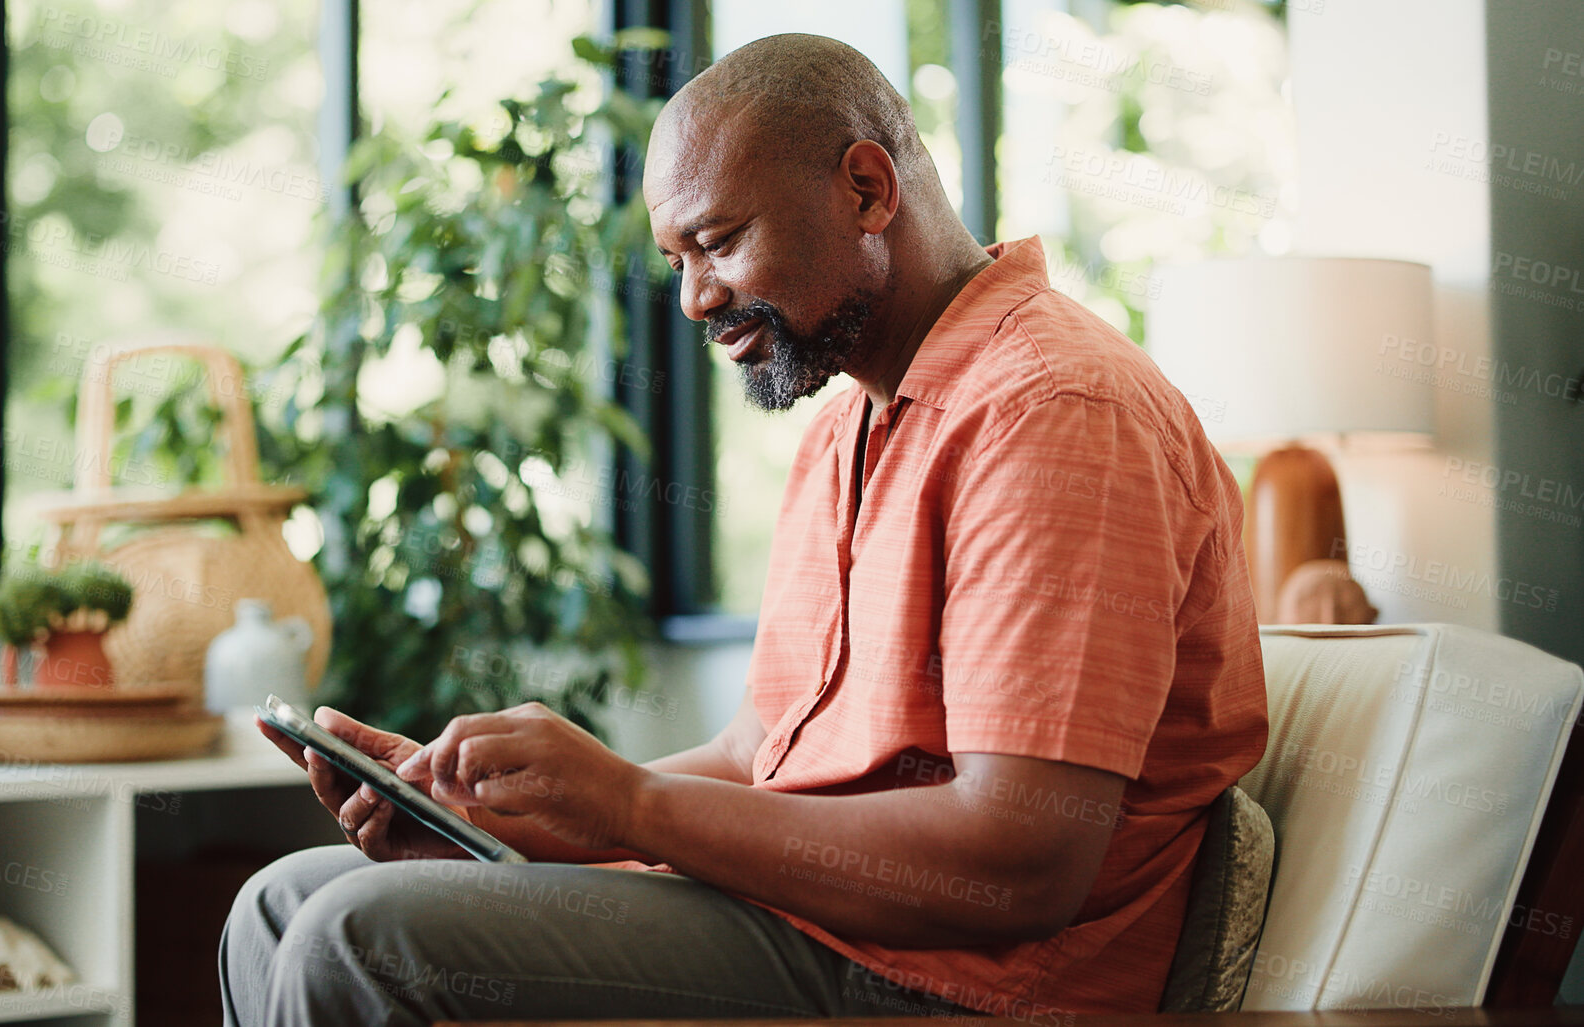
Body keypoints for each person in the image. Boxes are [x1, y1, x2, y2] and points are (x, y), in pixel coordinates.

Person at [219, 32, 1266, 1027]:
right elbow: (759, 752)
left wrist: (627, 805)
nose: (693, 299)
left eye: (717, 241)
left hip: (956, 982)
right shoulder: (849, 418)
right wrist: (518, 816)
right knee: (277, 904)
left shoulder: (1055, 412)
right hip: (807, 923)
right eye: (677, 258)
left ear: (867, 188)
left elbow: (1020, 859)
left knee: (356, 936)